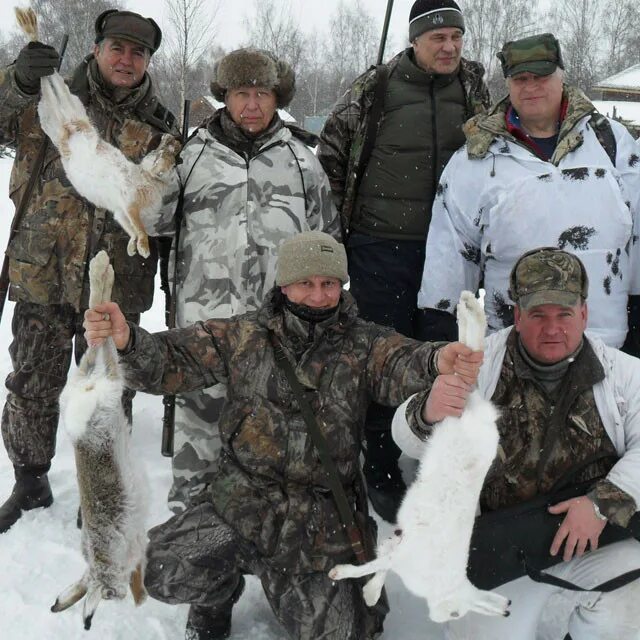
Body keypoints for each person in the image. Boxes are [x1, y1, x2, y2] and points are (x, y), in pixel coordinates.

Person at [83, 231, 482, 640]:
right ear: (284, 285)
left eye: (328, 284)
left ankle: (304, 588)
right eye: (306, 283)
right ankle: (216, 596)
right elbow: (171, 360)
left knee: (345, 633)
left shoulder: (365, 343)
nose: (318, 295)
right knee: (156, 570)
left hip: (319, 521)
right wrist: (127, 340)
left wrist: (438, 359)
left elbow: (404, 360)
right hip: (241, 503)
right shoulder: (243, 336)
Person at [394, 247, 640, 640]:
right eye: (538, 315)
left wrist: (602, 502)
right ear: (518, 316)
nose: (552, 328)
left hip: (591, 539)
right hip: (501, 549)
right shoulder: (479, 366)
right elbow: (408, 439)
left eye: (564, 314)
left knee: (630, 611)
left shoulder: (622, 374)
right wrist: (427, 412)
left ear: (584, 314)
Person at [0, 9, 179, 533]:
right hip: (44, 272)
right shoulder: (47, 98)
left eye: (138, 53)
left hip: (114, 286)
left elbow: (167, 210)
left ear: (148, 61)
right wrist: (18, 79)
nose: (126, 60)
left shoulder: (160, 129)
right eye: (117, 48)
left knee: (105, 393)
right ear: (97, 49)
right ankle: (30, 480)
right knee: (32, 381)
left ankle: (99, 487)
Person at [141, 48, 340, 513]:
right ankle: (192, 523)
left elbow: (326, 239)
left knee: (270, 425)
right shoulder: (191, 155)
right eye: (241, 94)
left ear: (276, 98)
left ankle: (258, 518)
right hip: (202, 324)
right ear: (224, 98)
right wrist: (160, 165)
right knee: (199, 425)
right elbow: (152, 221)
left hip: (277, 327)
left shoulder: (301, 159)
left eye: (262, 94)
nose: (252, 105)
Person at [317, 0, 491, 522]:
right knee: (384, 354)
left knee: (443, 357)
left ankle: (437, 453)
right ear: (415, 40)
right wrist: (336, 241)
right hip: (380, 248)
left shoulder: (475, 91)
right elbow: (330, 157)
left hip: (449, 251)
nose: (449, 47)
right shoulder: (375, 90)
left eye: (456, 37)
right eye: (438, 38)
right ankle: (383, 461)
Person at [417, 33, 640, 355]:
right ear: (508, 84)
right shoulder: (477, 159)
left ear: (561, 77)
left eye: (541, 76)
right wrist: (442, 332)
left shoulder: (612, 143)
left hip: (607, 349)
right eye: (521, 78)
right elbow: (448, 253)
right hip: (512, 354)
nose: (531, 86)